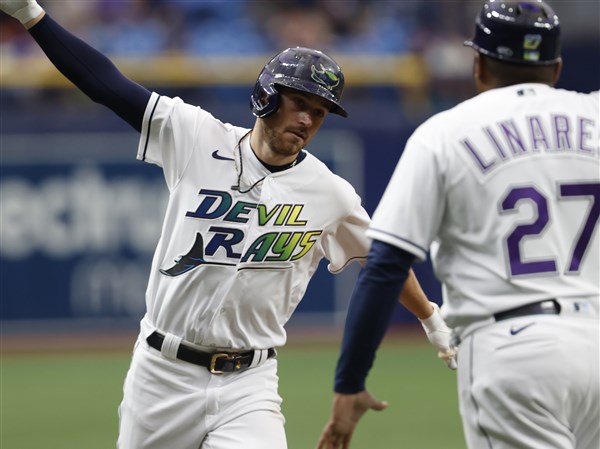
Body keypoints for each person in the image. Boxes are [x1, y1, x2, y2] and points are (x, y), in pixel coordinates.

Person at [0, 1, 457, 448]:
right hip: (162, 373)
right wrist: (31, 15)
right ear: (266, 96)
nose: (306, 119)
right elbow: (106, 85)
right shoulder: (196, 136)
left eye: (318, 112)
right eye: (299, 102)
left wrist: (432, 319)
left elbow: (382, 261)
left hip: (249, 383)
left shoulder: (330, 192)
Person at [317, 1, 599, 449]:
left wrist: (350, 380)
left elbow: (386, 264)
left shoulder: (445, 132)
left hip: (512, 349)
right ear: (557, 67)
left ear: (478, 64)